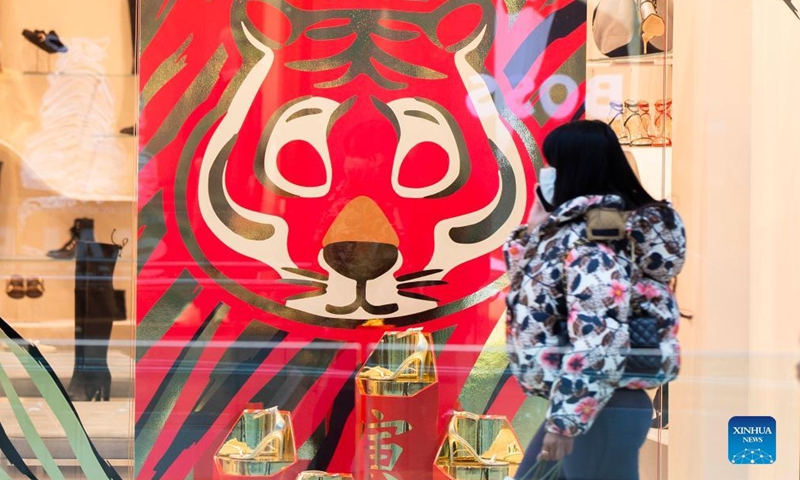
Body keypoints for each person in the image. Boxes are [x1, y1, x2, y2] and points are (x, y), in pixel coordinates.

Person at [504, 120, 686, 480]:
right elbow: (534, 285)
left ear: (572, 169)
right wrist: (538, 227)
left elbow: (598, 341)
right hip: (590, 405)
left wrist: (565, 424)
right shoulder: (578, 231)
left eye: (552, 164)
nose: (547, 174)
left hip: (598, 408)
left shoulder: (594, 240)